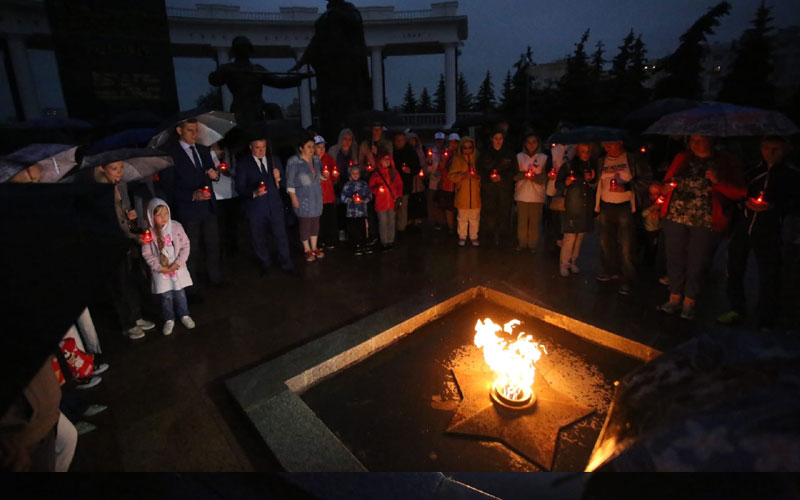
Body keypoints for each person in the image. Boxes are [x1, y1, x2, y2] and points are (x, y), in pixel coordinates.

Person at [657, 135, 746, 320]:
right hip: (676, 215)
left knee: (697, 261)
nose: (695, 144)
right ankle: (674, 297)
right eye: (692, 140)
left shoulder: (726, 161)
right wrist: (663, 189)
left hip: (704, 219)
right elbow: (666, 182)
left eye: (701, 140)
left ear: (712, 140)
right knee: (675, 257)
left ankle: (690, 300)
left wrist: (718, 182)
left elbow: (740, 192)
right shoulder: (682, 158)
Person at [717, 135, 800, 331]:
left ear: (785, 149)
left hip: (770, 231)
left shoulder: (791, 175)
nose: (769, 153)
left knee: (769, 274)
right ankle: (736, 308)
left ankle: (766, 317)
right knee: (735, 267)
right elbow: (737, 191)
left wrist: (774, 206)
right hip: (744, 227)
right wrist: (743, 203)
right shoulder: (752, 170)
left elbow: (794, 203)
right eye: (765, 148)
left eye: (775, 149)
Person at [84, 160, 156, 339]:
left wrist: (131, 215)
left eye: (121, 167)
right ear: (101, 168)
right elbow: (105, 221)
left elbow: (125, 211)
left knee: (131, 279)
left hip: (127, 239)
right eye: (114, 169)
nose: (119, 172)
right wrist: (131, 234)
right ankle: (128, 323)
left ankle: (136, 316)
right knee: (119, 283)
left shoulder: (121, 184)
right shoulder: (96, 191)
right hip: (111, 242)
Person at [159, 118, 224, 291]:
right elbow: (167, 187)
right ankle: (191, 288)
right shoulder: (171, 154)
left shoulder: (203, 150)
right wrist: (192, 195)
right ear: (179, 131)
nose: (195, 134)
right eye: (190, 130)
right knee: (190, 251)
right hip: (188, 211)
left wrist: (214, 175)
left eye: (196, 130)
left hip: (208, 207)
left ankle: (215, 279)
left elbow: (213, 174)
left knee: (213, 245)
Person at [594, 140, 652, 295]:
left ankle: (628, 279)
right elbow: (596, 182)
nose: (607, 147)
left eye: (610, 144)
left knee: (627, 245)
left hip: (625, 206)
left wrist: (626, 187)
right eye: (604, 145)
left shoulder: (632, 159)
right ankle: (611, 270)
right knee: (605, 241)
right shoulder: (601, 160)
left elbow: (646, 179)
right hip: (606, 205)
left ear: (620, 143)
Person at [235, 138, 295, 275]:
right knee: (258, 237)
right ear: (251, 147)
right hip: (256, 207)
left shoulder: (274, 160)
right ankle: (265, 262)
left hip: (274, 205)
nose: (261, 151)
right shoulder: (244, 163)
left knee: (281, 235)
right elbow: (239, 187)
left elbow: (284, 182)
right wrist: (254, 192)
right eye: (258, 148)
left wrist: (278, 178)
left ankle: (286, 263)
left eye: (264, 147)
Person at [141, 199, 195, 336]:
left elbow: (185, 245)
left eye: (166, 213)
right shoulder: (149, 233)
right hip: (162, 272)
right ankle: (169, 318)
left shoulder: (176, 227)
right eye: (159, 215)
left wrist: (178, 263)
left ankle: (184, 314)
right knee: (166, 296)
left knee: (180, 293)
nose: (164, 217)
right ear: (151, 216)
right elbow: (147, 253)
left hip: (177, 268)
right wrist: (159, 267)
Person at [556, 143, 597, 277]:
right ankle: (564, 264)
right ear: (578, 152)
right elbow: (558, 183)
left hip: (586, 206)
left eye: (588, 151)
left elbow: (594, 185)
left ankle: (573, 261)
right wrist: (565, 183)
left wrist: (591, 180)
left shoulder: (592, 166)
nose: (585, 154)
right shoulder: (569, 166)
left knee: (579, 236)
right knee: (570, 236)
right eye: (583, 151)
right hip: (572, 205)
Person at [287, 134, 325, 262]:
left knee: (315, 222)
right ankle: (306, 249)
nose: (311, 149)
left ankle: (314, 246)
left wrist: (325, 175)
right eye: (308, 147)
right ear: (301, 148)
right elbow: (290, 181)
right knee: (305, 223)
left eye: (312, 147)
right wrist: (293, 198)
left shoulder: (316, 160)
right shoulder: (294, 161)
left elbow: (320, 175)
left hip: (316, 195)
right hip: (303, 197)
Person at [477, 130, 516, 246]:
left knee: (504, 212)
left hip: (504, 188)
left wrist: (502, 177)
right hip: (489, 189)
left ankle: (504, 238)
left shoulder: (509, 153)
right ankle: (489, 238)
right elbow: (480, 169)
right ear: (491, 139)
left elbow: (514, 170)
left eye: (500, 138)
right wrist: (489, 177)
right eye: (496, 138)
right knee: (489, 212)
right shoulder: (485, 153)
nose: (498, 141)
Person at [514, 132, 550, 252]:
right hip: (522, 193)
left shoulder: (544, 158)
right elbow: (513, 175)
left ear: (538, 143)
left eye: (534, 142)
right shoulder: (519, 157)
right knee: (522, 221)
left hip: (536, 195)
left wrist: (534, 177)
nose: (531, 145)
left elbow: (545, 177)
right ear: (525, 144)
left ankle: (533, 244)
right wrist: (524, 175)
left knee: (534, 221)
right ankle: (522, 242)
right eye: (529, 142)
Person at [327, 128, 359, 242]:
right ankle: (341, 230)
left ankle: (350, 230)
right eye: (345, 139)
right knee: (340, 207)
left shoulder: (354, 151)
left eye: (349, 139)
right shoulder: (334, 150)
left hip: (350, 182)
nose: (347, 142)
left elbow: (357, 166)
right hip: (338, 182)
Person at [449, 136, 481, 247]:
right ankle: (462, 236)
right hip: (462, 194)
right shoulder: (457, 160)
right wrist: (463, 175)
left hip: (476, 194)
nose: (467, 150)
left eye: (470, 147)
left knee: (474, 218)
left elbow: (484, 174)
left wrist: (477, 176)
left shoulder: (478, 158)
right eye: (465, 148)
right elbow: (452, 176)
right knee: (462, 217)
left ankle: (474, 236)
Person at [369, 150, 403, 251]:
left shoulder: (394, 173)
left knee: (391, 220)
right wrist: (377, 189)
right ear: (380, 161)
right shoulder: (376, 174)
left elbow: (399, 185)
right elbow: (371, 188)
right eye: (385, 159)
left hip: (392, 202)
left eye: (388, 159)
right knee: (383, 221)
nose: (387, 161)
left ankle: (390, 240)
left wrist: (398, 196)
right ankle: (384, 241)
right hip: (381, 203)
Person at [392, 130, 422, 234]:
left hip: (405, 184)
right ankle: (392, 228)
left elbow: (417, 167)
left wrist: (410, 170)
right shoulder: (391, 151)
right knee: (392, 208)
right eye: (398, 140)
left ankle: (401, 229)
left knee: (403, 207)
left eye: (402, 140)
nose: (400, 142)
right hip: (391, 185)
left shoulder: (410, 152)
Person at [341, 164, 373, 255]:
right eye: (353, 173)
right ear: (350, 174)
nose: (355, 175)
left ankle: (364, 244)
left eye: (357, 173)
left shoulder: (363, 184)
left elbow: (369, 195)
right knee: (353, 230)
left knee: (363, 229)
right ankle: (355, 246)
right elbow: (343, 198)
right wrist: (350, 199)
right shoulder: (347, 185)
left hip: (362, 212)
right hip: (352, 213)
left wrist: (363, 200)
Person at [314, 135, 339, 249]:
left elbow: (335, 174)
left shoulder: (329, 159)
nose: (321, 149)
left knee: (330, 219)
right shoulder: (311, 161)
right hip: (317, 197)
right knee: (319, 221)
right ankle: (319, 240)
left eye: (323, 147)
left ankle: (330, 240)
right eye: (318, 147)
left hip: (328, 196)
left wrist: (334, 175)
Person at [434, 133, 459, 235]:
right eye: (451, 142)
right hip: (447, 185)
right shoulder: (446, 153)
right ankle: (451, 227)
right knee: (449, 207)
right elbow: (440, 167)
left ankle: (459, 227)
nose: (452, 144)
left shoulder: (461, 153)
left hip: (458, 184)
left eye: (455, 142)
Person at [406, 131, 427, 228]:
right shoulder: (406, 151)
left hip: (418, 179)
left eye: (413, 140)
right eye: (410, 140)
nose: (412, 142)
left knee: (418, 199)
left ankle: (417, 219)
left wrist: (422, 171)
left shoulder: (420, 150)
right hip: (409, 179)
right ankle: (409, 219)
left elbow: (423, 163)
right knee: (410, 199)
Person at [427, 131, 447, 229]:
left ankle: (445, 220)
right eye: (437, 141)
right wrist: (430, 162)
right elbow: (428, 169)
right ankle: (436, 221)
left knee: (443, 201)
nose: (439, 142)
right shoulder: (432, 152)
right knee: (434, 202)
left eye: (441, 141)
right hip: (434, 181)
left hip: (444, 181)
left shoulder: (447, 151)